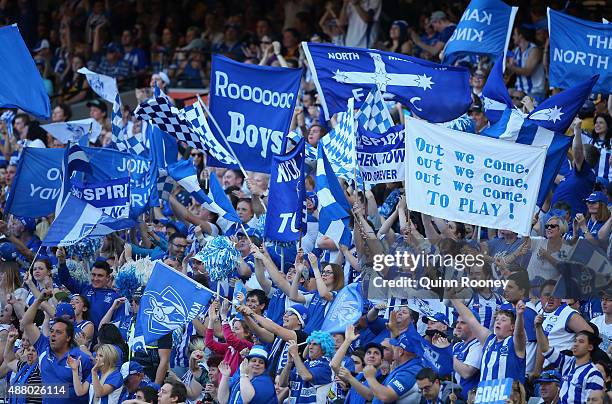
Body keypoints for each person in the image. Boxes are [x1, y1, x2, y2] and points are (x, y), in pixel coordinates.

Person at [20, 289, 94, 404]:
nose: (53, 335)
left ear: (68, 337)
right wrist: (39, 300)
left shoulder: (80, 357)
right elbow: (26, 323)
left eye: (58, 332)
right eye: (52, 331)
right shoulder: (43, 347)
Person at [451, 298, 526, 384]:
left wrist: (519, 315)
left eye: (503, 320)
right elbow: (470, 319)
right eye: (497, 319)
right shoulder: (489, 340)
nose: (498, 322)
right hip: (486, 396)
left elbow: (519, 333)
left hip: (509, 395)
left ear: (512, 327)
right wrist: (453, 298)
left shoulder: (515, 343)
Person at [535, 313, 605, 403]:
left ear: (590, 347)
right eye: (575, 341)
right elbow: (545, 350)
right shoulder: (567, 363)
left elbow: (595, 401)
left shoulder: (593, 374)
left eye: (581, 342)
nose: (576, 344)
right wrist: (538, 327)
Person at [57, 249, 119, 332]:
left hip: (101, 340)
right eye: (93, 275)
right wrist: (61, 261)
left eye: (100, 275)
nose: (95, 278)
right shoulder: (84, 289)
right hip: (81, 337)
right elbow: (66, 280)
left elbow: (117, 322)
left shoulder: (115, 297)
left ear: (108, 278)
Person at [365, 331, 424, 403]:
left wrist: (370, 377)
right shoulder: (405, 366)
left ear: (400, 352)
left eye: (395, 346)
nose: (393, 348)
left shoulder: (411, 372)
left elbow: (386, 396)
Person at [279, 332, 334, 403]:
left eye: (315, 344)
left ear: (324, 347)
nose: (310, 347)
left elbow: (306, 376)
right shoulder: (303, 364)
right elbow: (282, 383)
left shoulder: (326, 365)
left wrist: (295, 354)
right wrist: (289, 362)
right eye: (309, 344)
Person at [508, 27, 546, 100]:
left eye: (514, 34)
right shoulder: (515, 51)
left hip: (534, 92)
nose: (513, 37)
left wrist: (510, 66)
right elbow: (510, 72)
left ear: (521, 35)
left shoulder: (534, 50)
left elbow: (528, 71)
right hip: (519, 91)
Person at [452, 311, 483, 401]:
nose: (457, 326)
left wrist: (447, 353)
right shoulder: (457, 346)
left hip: (470, 399)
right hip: (456, 397)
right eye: (457, 322)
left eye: (463, 323)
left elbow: (467, 373)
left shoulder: (479, 345)